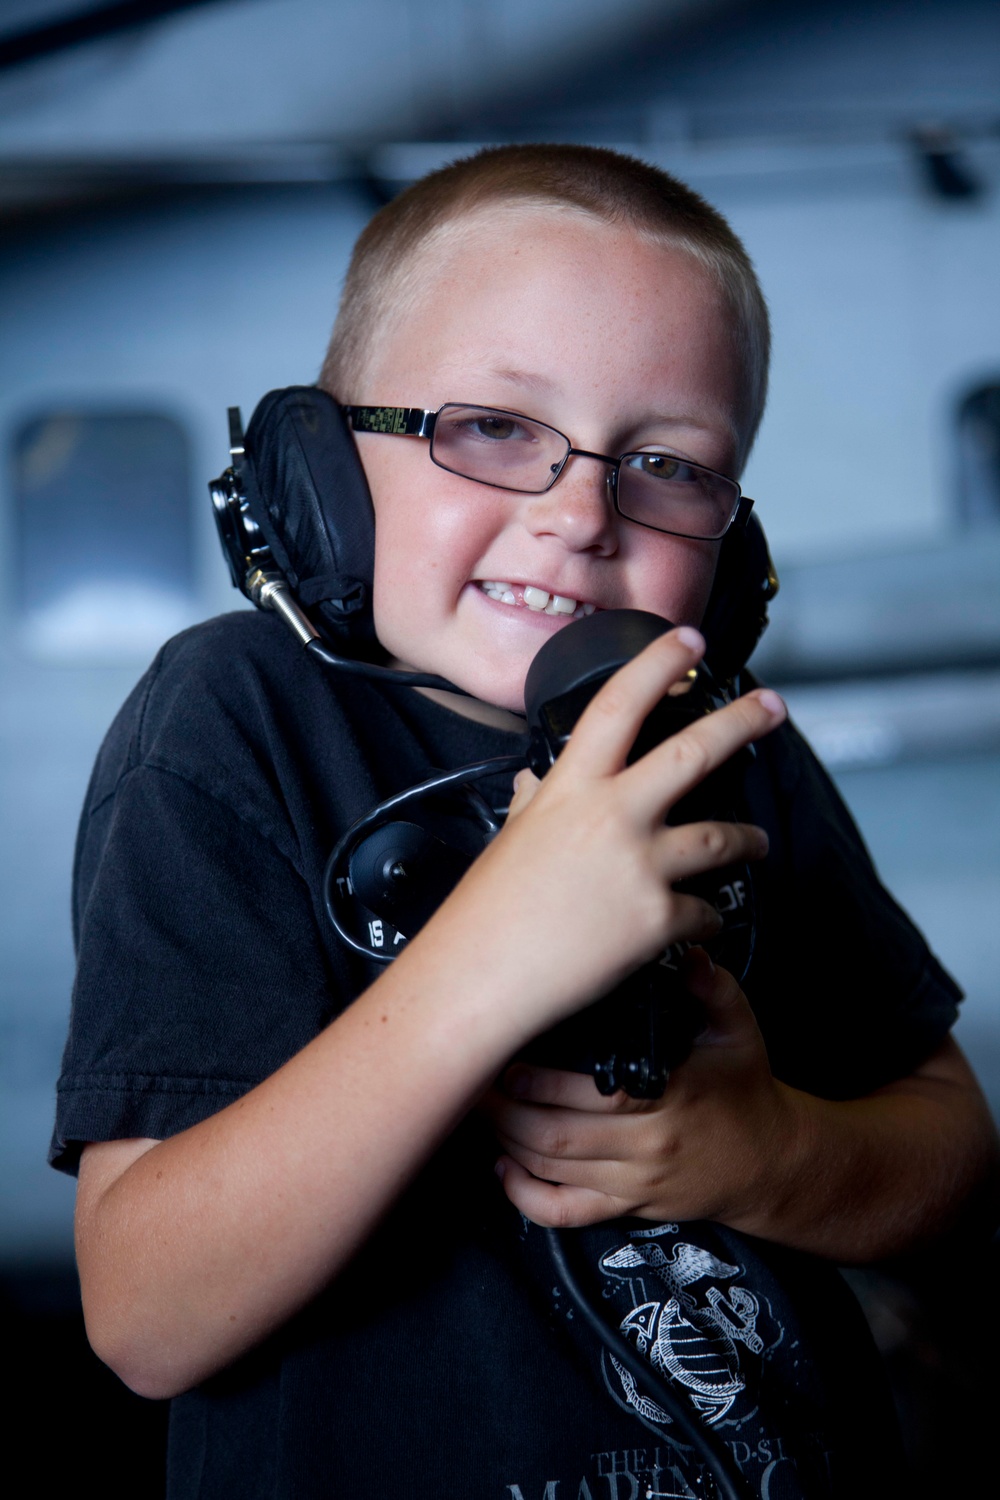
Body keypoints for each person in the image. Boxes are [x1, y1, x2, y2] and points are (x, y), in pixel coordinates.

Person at [51, 145, 997, 1499]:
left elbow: (953, 1158)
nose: (577, 516)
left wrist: (775, 1153)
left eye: (666, 462)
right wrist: (490, 960)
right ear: (314, 475)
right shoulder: (234, 718)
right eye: (492, 427)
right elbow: (147, 1315)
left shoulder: (718, 736)